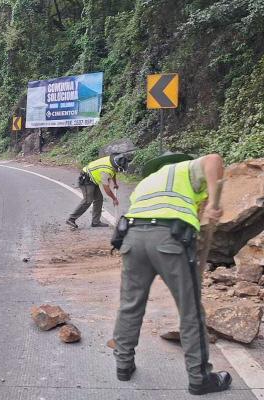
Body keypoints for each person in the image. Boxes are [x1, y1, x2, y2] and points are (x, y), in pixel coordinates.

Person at [111, 152, 232, 395]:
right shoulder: (182, 169)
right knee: (190, 310)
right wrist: (213, 203)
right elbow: (213, 160)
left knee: (130, 305)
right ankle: (199, 378)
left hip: (132, 239)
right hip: (169, 239)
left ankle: (123, 366)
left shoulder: (145, 184)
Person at [66, 153, 130, 229]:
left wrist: (115, 183)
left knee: (99, 199)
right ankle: (71, 219)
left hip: (93, 179)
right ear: (117, 166)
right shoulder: (106, 170)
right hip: (86, 179)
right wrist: (114, 199)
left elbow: (113, 173)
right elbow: (106, 188)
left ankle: (95, 222)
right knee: (87, 200)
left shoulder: (113, 162)